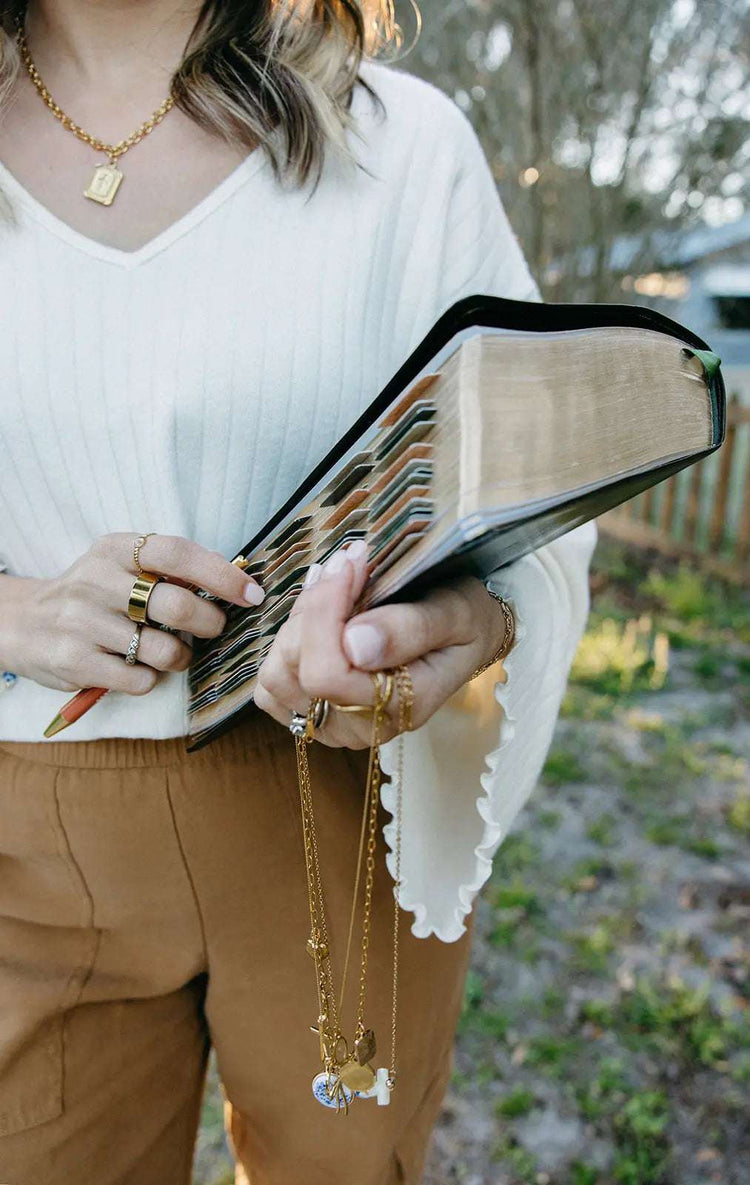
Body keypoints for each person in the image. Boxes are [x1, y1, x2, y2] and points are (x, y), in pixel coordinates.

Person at [0, 1, 597, 1182]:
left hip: (341, 807)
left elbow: (535, 498)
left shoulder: (406, 150)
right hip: (31, 829)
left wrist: (465, 625)